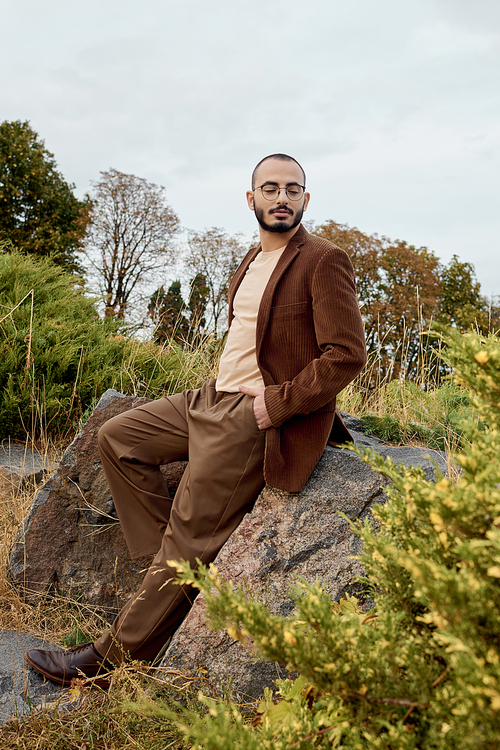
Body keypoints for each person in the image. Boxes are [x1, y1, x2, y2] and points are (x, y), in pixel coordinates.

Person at [25, 153, 367, 686]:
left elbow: (346, 354)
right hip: (208, 398)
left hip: (253, 416)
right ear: (250, 199)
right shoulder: (250, 260)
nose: (282, 197)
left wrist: (273, 405)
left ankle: (111, 659)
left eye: (292, 189)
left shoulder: (324, 259)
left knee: (189, 532)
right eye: (270, 188)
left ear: (306, 198)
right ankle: (171, 570)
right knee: (119, 438)